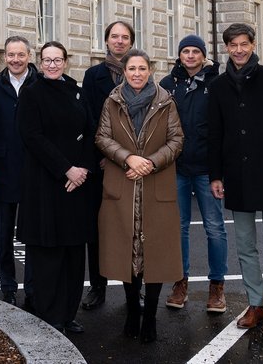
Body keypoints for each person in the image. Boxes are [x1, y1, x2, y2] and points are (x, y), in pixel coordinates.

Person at [208, 23, 263, 337]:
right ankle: (256, 305)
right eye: (234, 45)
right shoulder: (218, 87)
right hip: (237, 177)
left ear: (253, 44)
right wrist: (215, 175)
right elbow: (214, 135)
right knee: (245, 247)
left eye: (244, 44)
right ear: (227, 48)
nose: (239, 50)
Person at [97, 49, 183, 343]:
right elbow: (102, 137)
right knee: (126, 251)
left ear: (150, 70)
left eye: (141, 68)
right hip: (122, 183)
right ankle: (133, 310)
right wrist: (128, 159)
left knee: (155, 254)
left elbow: (176, 139)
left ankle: (150, 317)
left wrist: (150, 163)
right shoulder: (112, 100)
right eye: (131, 68)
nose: (136, 73)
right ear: (124, 71)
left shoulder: (165, 100)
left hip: (156, 182)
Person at [17, 41, 97, 335]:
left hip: (77, 186)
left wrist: (84, 169)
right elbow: (32, 137)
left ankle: (68, 313)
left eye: (57, 60)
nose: (52, 65)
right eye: (47, 60)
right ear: (39, 62)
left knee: (74, 253)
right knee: (48, 254)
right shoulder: (31, 93)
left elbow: (91, 131)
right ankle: (49, 314)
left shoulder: (77, 91)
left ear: (66, 61)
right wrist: (67, 169)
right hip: (46, 183)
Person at [159, 35, 228, 313]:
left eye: (195, 51)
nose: (189, 56)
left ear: (203, 55)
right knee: (178, 228)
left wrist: (219, 173)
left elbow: (224, 130)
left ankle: (217, 288)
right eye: (185, 51)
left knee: (215, 228)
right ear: (179, 55)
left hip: (207, 170)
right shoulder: (167, 84)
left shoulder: (217, 83)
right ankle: (180, 283)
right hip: (176, 168)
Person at [0, 36, 38, 308]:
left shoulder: (40, 83)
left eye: (20, 54)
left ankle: (34, 287)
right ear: (4, 57)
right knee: (4, 232)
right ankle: (8, 286)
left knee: (34, 232)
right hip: (2, 168)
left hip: (34, 168)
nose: (15, 59)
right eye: (10, 55)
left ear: (29, 56)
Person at [79, 21, 134, 309]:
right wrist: (101, 154)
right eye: (115, 36)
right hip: (101, 163)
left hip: (132, 166)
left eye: (125, 37)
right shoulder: (93, 75)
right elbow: (89, 120)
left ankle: (130, 291)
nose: (120, 41)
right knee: (97, 230)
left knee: (129, 229)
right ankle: (97, 287)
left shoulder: (139, 71)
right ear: (106, 41)